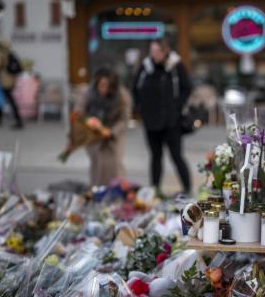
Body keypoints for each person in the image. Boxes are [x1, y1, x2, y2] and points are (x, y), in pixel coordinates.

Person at [134, 39, 192, 194]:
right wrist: (140, 108)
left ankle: (187, 188)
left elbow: (187, 88)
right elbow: (135, 89)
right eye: (152, 51)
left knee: (176, 156)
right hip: (151, 121)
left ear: (165, 51)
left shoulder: (175, 66)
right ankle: (155, 189)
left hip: (171, 121)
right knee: (155, 157)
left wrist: (176, 106)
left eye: (157, 51)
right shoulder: (145, 67)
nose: (154, 55)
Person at [74, 67, 131, 186]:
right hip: (92, 133)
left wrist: (111, 132)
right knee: (97, 162)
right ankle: (97, 190)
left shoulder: (122, 95)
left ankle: (118, 189)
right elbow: (78, 113)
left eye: (107, 86)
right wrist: (89, 122)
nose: (103, 89)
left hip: (114, 132)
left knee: (115, 162)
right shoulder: (88, 93)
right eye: (101, 85)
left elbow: (124, 119)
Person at [0, 41, 24, 129]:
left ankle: (18, 120)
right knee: (4, 99)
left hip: (4, 80)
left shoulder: (0, 54)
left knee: (6, 100)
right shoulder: (9, 53)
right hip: (11, 80)